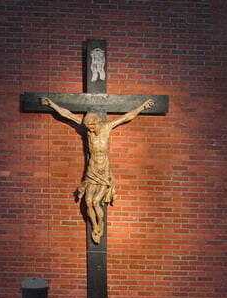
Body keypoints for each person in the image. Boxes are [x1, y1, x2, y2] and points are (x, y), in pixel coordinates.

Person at [39, 96, 155, 244]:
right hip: (91, 169)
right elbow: (67, 114)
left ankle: (100, 224)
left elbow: (126, 117)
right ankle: (94, 226)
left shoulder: (107, 127)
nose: (90, 130)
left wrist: (142, 107)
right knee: (88, 201)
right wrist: (52, 104)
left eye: (92, 127)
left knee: (95, 202)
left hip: (104, 170)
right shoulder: (88, 130)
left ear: (97, 122)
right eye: (88, 128)